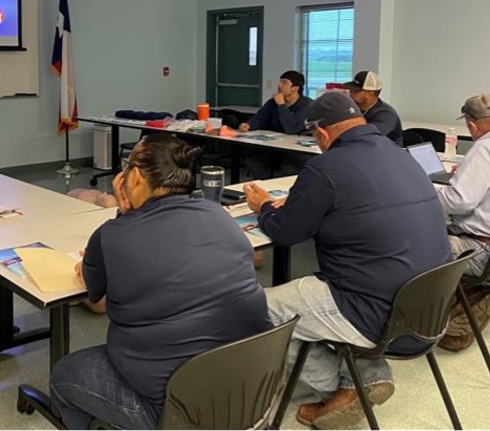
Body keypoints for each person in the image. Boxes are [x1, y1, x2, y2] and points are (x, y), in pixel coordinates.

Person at [243, 92, 451, 430]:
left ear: (322, 135)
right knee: (305, 293)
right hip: (427, 306)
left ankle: (349, 387)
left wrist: (264, 207)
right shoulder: (402, 155)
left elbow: (285, 233)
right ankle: (367, 373)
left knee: (258, 308)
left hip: (373, 307)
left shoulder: (324, 167)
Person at [50, 133, 270, 430]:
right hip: (250, 392)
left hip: (175, 410)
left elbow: (94, 293)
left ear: (137, 177)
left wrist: (124, 215)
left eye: (126, 168)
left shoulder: (112, 236)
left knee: (64, 373)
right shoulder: (219, 215)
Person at [435, 94, 490, 352]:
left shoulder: (487, 148)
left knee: (410, 244)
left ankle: (419, 320)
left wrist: (424, 188)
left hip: (483, 254)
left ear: (472, 125)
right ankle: (475, 297)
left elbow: (458, 201)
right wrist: (466, 174)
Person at [237, 70, 313, 178]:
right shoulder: (273, 102)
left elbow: (291, 129)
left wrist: (282, 105)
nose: (279, 85)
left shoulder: (306, 105)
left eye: (284, 82)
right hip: (276, 145)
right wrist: (249, 125)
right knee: (253, 161)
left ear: (295, 88)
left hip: (297, 150)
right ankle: (264, 188)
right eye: (280, 82)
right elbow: (260, 118)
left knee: (289, 169)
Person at [343, 70, 403, 145]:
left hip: (385, 153)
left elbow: (367, 138)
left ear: (370, 94)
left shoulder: (386, 114)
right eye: (350, 89)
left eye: (356, 91)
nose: (351, 93)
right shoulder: (352, 107)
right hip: (361, 150)